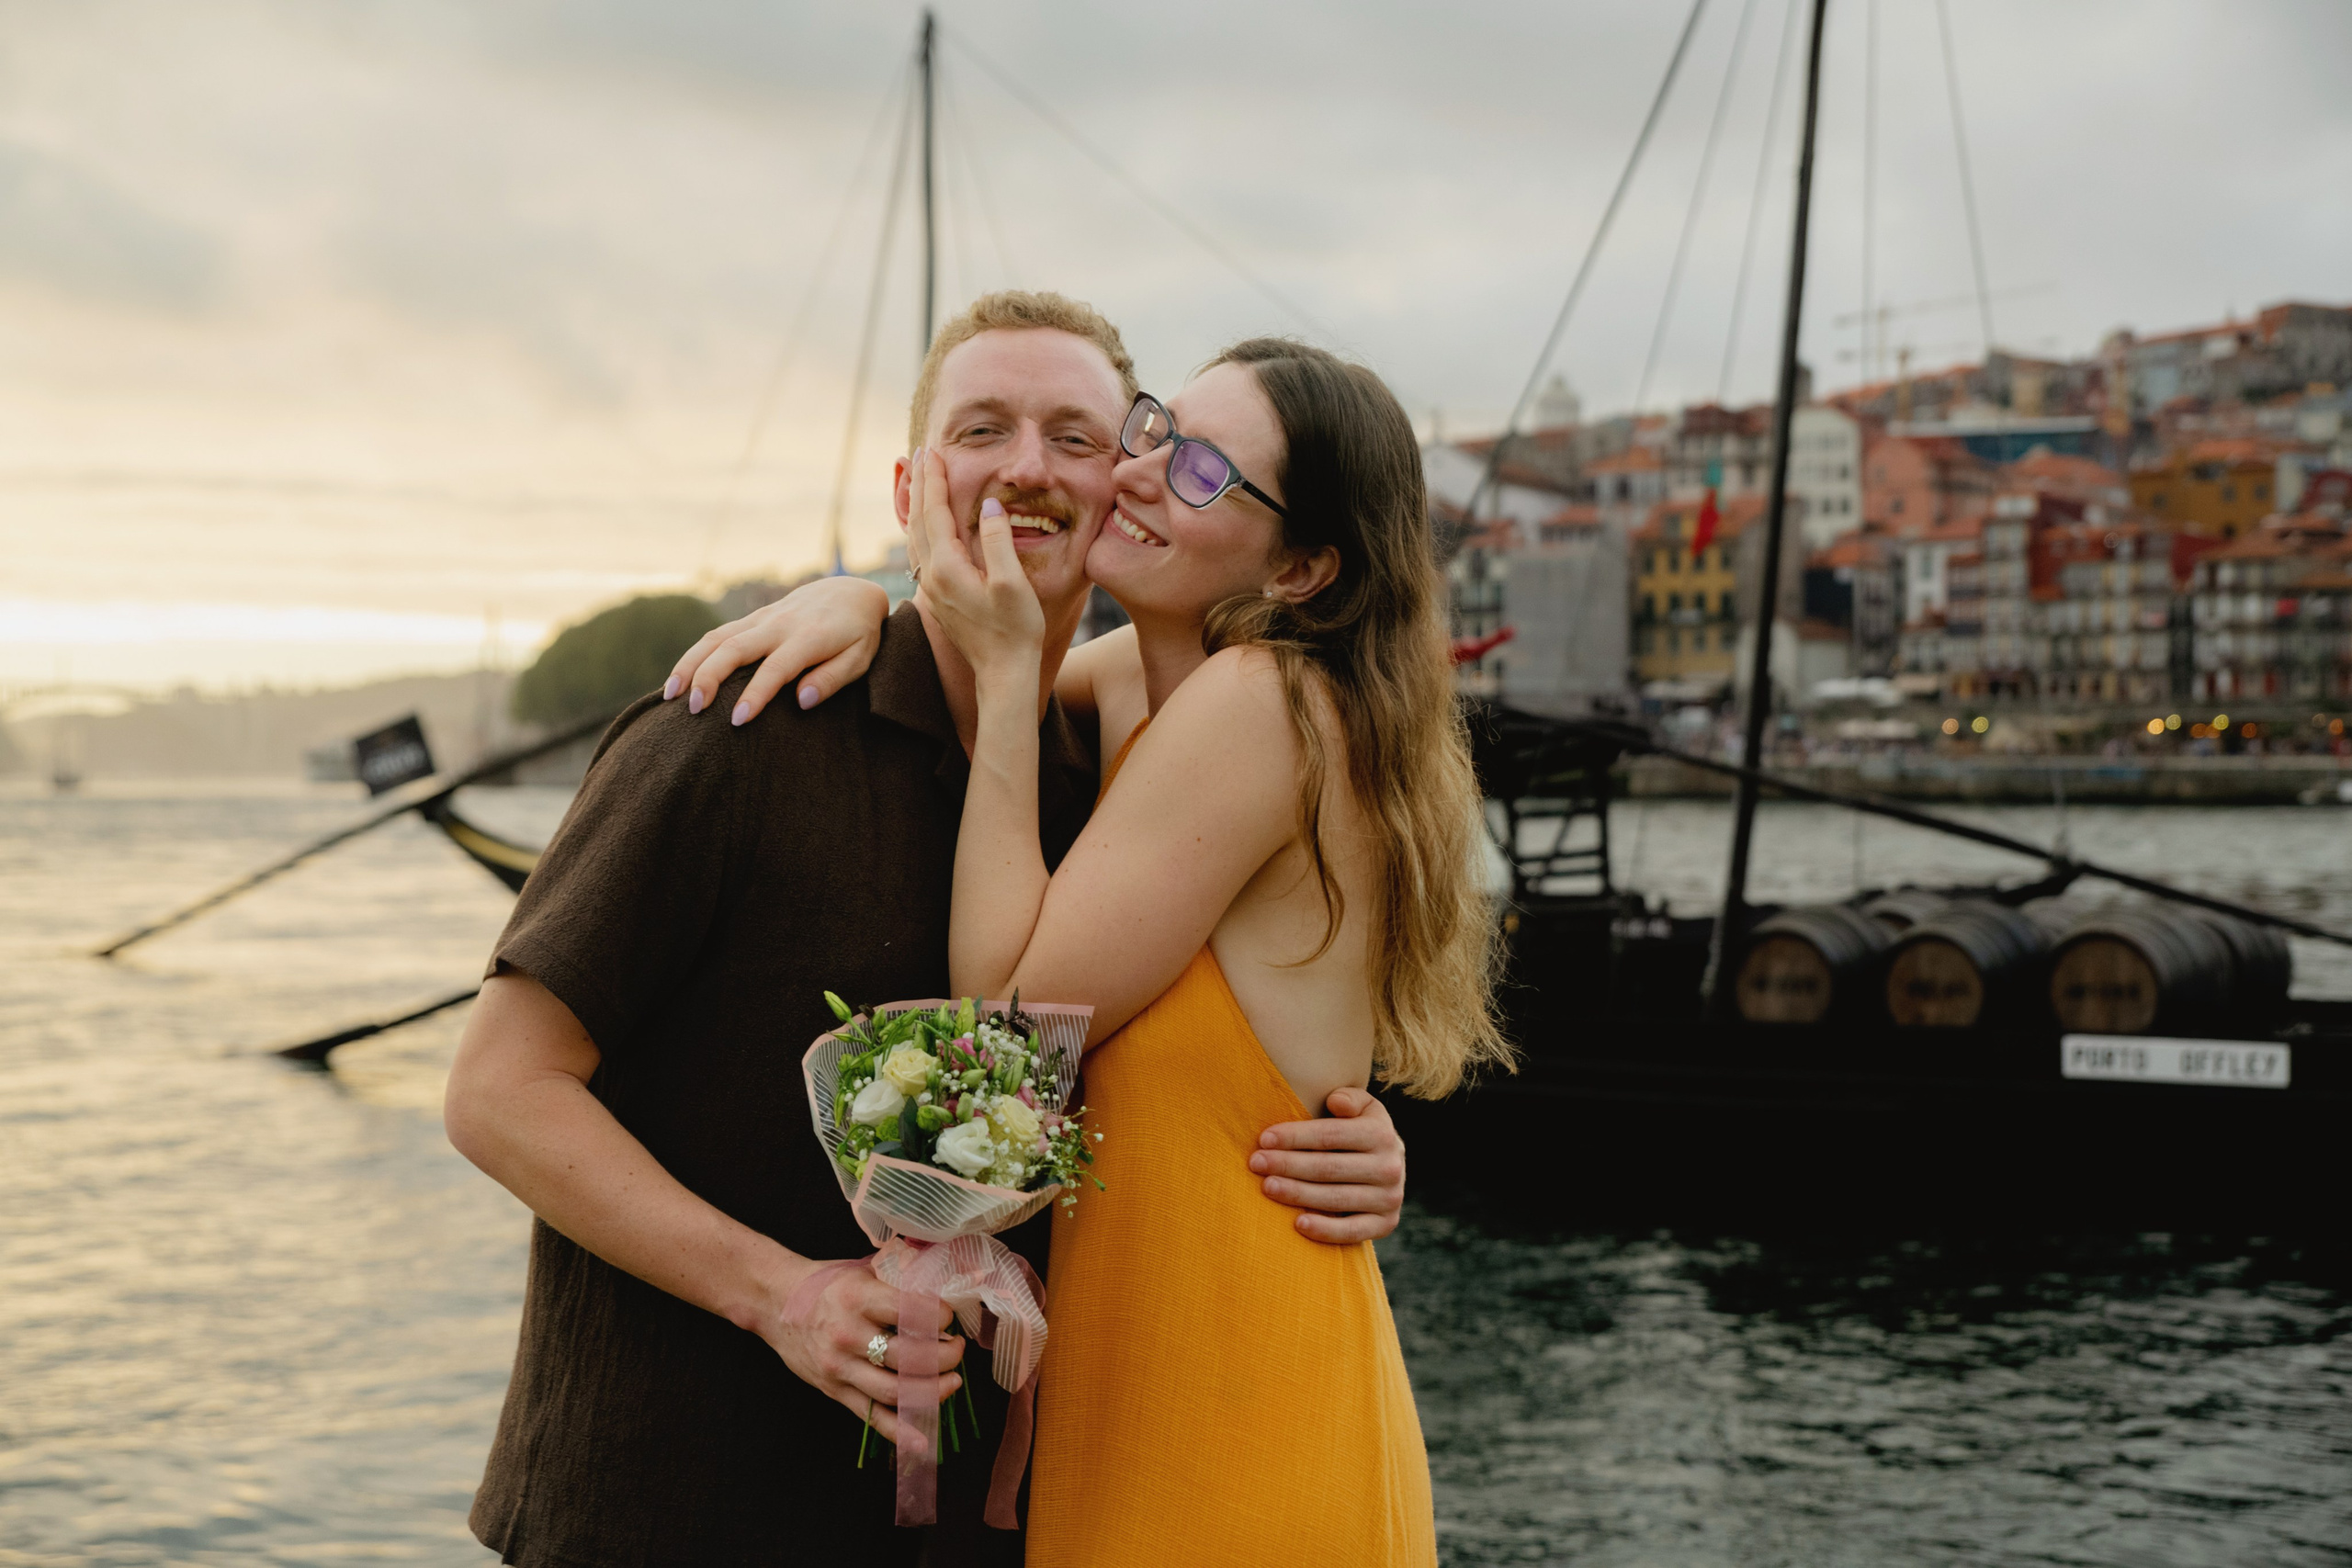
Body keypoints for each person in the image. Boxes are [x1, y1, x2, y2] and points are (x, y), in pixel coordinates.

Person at [443, 293, 1412, 1568]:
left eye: (1079, 435)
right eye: (981, 430)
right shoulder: (733, 734)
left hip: (996, 1523)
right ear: (911, 488)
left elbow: (1204, 1042)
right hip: (672, 1508)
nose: (1028, 466)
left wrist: (1355, 1126)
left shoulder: (1113, 772)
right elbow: (498, 1090)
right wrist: (778, 1294)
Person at [673, 336, 1510, 1565]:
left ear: (1304, 568)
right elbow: (951, 638)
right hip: (1165, 1380)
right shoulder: (1156, 686)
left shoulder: (1265, 704)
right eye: (1159, 427)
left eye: (1208, 469)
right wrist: (856, 596)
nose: (1140, 470)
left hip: (1233, 1408)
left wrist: (1013, 680)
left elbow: (1004, 1017)